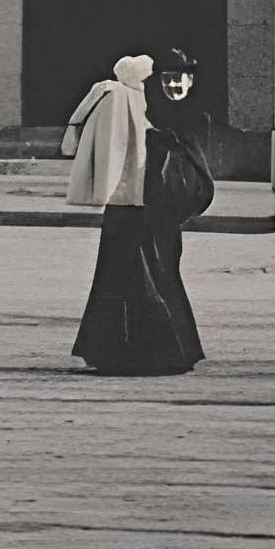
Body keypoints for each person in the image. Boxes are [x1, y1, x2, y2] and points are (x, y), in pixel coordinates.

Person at [69, 49, 214, 375]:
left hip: (161, 210)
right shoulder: (138, 108)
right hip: (133, 207)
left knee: (161, 271)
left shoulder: (192, 116)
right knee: (131, 274)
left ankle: (166, 350)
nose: (174, 84)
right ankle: (137, 352)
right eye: (167, 78)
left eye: (180, 77)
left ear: (191, 80)